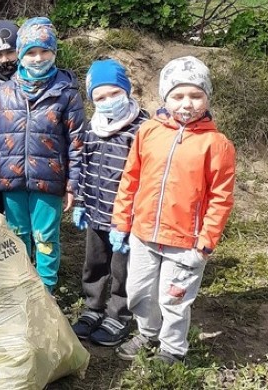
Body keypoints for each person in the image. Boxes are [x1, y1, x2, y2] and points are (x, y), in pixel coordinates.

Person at [113, 56, 235, 365]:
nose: (187, 103)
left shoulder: (216, 144)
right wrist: (121, 222)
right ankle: (147, 332)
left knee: (174, 297)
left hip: (185, 242)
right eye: (178, 95)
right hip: (143, 233)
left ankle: (172, 348)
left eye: (196, 95)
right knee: (138, 290)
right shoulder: (149, 131)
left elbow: (221, 198)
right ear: (165, 97)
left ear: (207, 98)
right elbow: (131, 178)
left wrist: (205, 244)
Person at [0, 17, 85, 293]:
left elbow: (76, 142)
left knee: (45, 236)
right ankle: (22, 284)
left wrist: (75, 185)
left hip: (49, 180)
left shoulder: (66, 94)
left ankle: (46, 288)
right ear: (22, 54)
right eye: (31, 52)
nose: (38, 58)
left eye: (44, 52)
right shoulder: (4, 94)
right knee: (17, 233)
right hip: (11, 180)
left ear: (54, 53)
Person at [70, 59, 149, 347]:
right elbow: (84, 166)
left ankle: (119, 312)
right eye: (100, 97)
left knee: (121, 267)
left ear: (127, 90)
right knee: (95, 263)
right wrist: (80, 202)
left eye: (114, 93)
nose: (108, 101)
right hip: (96, 210)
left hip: (126, 218)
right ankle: (93, 307)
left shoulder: (142, 129)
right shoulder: (92, 128)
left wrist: (134, 216)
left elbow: (148, 177)